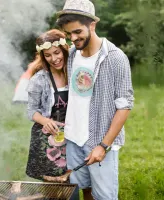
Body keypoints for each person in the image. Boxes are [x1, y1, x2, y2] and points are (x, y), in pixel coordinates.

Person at [56, 0, 134, 199]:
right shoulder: (72, 55)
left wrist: (103, 145)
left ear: (92, 25)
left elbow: (124, 106)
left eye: (77, 32)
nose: (73, 38)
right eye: (68, 33)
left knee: (105, 196)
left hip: (100, 140)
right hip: (74, 138)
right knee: (82, 188)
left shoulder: (115, 58)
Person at [25, 29, 69, 180]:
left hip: (73, 135)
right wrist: (46, 121)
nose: (54, 58)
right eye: (48, 55)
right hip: (49, 137)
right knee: (51, 183)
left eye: (57, 52)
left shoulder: (75, 73)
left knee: (73, 180)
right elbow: (31, 111)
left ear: (64, 49)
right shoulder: (39, 80)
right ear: (43, 56)